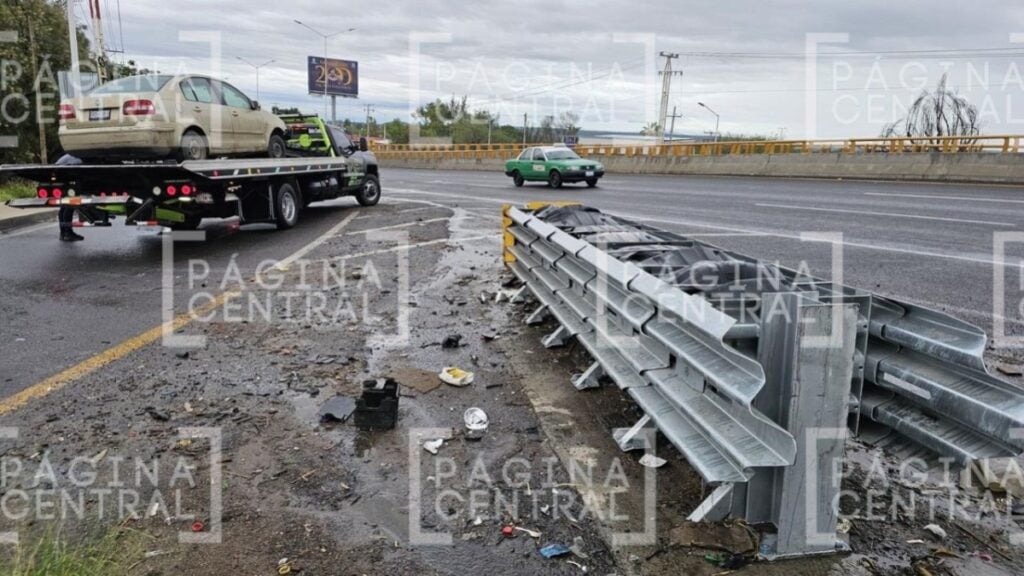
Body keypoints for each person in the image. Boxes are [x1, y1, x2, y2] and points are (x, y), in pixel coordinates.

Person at [55, 154, 83, 242]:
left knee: (64, 205)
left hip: (60, 177)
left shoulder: (69, 156)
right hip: (67, 177)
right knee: (69, 205)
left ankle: (63, 233)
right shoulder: (79, 159)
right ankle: (68, 233)